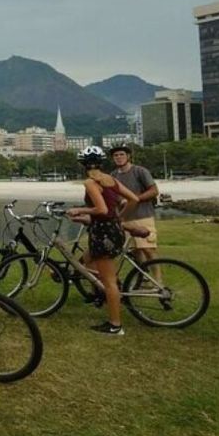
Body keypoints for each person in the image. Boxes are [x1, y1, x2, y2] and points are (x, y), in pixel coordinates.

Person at [66, 146, 138, 336]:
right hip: (114, 229)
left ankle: (115, 325)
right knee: (87, 261)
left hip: (102, 233)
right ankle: (97, 294)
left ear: (82, 164)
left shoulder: (91, 182)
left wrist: (79, 210)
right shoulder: (111, 179)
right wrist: (119, 218)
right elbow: (134, 199)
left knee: (109, 282)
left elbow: (101, 209)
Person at [109, 144, 160, 265]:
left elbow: (154, 191)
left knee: (148, 249)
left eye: (122, 154)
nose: (119, 157)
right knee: (134, 251)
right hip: (125, 218)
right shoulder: (113, 175)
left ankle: (158, 282)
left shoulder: (140, 171)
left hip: (143, 216)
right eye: (116, 155)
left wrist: (134, 198)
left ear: (128, 156)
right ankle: (144, 277)